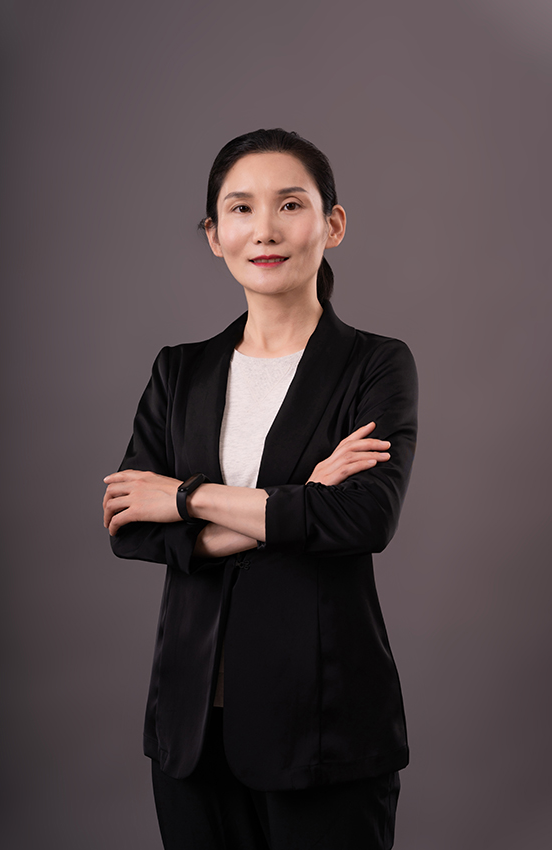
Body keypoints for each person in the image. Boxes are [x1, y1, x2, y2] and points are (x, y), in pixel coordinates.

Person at [102, 128, 418, 850]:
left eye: (290, 204)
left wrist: (184, 499)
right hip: (190, 733)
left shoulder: (374, 366)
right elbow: (130, 523)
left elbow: (364, 519)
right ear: (215, 235)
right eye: (240, 208)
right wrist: (299, 498)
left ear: (332, 223)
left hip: (323, 727)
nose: (265, 229)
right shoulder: (179, 371)